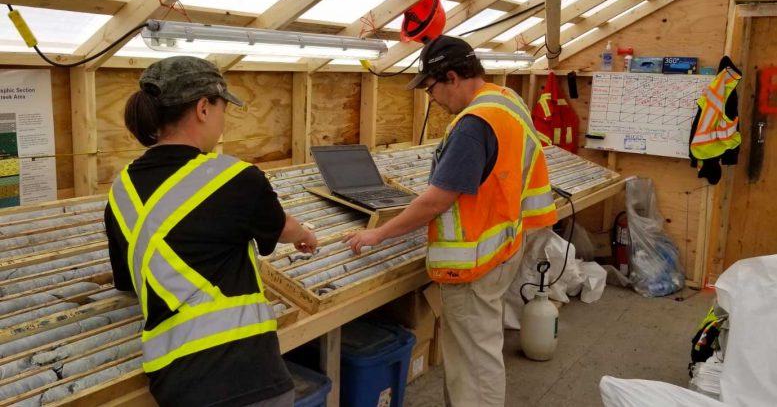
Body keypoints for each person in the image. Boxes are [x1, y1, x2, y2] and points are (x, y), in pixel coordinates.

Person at [344, 35, 557, 406]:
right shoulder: (506, 101)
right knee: (477, 355)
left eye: (431, 88)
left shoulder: (474, 124)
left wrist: (378, 234)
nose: (432, 99)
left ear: (453, 77)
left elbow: (436, 202)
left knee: (473, 365)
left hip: (473, 265)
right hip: (504, 246)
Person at [104, 56, 317, 407]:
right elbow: (282, 227)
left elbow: (128, 285)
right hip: (248, 378)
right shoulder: (235, 178)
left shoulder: (120, 193)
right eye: (222, 109)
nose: (222, 120)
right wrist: (306, 234)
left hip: (174, 385)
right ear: (203, 108)